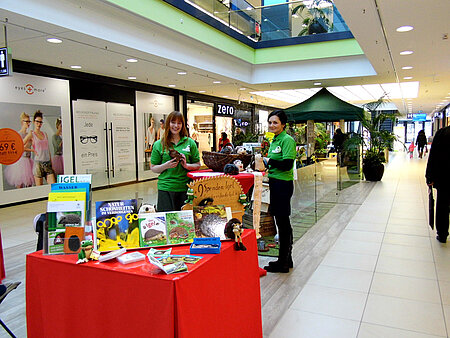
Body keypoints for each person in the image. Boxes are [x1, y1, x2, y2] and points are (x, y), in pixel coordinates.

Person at [264, 110, 296, 273]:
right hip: (275, 183)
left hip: (283, 185)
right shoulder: (274, 140)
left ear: (283, 124)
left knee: (283, 223)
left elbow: (287, 165)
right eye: (270, 122)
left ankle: (283, 261)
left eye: (275, 122)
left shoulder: (287, 140)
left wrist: (269, 161)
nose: (272, 125)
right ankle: (286, 259)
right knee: (281, 222)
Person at [150, 111, 200, 211]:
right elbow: (153, 167)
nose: (176, 126)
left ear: (183, 125)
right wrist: (166, 165)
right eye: (173, 122)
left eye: (179, 123)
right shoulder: (159, 144)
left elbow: (198, 165)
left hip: (186, 188)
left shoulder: (190, 142)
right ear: (168, 123)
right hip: (165, 188)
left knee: (185, 223)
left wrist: (187, 166)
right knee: (167, 221)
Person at [426, 126, 450, 243]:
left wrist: (429, 176)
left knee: (443, 205)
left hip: (444, 177)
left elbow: (433, 155)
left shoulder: (442, 133)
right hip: (443, 177)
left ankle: (442, 234)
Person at [24, 110, 56, 186]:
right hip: (38, 164)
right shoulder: (31, 134)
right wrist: (32, 150)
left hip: (47, 163)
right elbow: (21, 145)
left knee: (54, 187)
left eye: (40, 122)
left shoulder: (45, 134)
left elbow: (48, 150)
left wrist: (51, 164)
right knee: (39, 189)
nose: (39, 124)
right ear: (34, 122)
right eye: (37, 122)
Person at [3, 112, 35, 188]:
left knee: (29, 184)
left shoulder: (29, 134)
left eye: (29, 121)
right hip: (20, 162)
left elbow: (31, 146)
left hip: (29, 160)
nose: (28, 123)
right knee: (19, 184)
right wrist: (28, 138)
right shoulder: (18, 134)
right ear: (22, 122)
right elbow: (20, 148)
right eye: (26, 121)